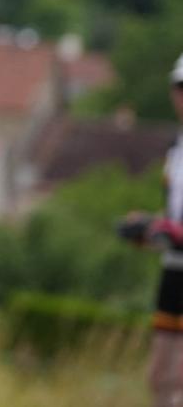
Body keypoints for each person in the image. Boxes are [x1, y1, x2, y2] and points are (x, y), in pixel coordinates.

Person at [147, 53, 183, 407]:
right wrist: (147, 228)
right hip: (173, 268)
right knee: (159, 376)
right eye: (179, 88)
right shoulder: (176, 147)